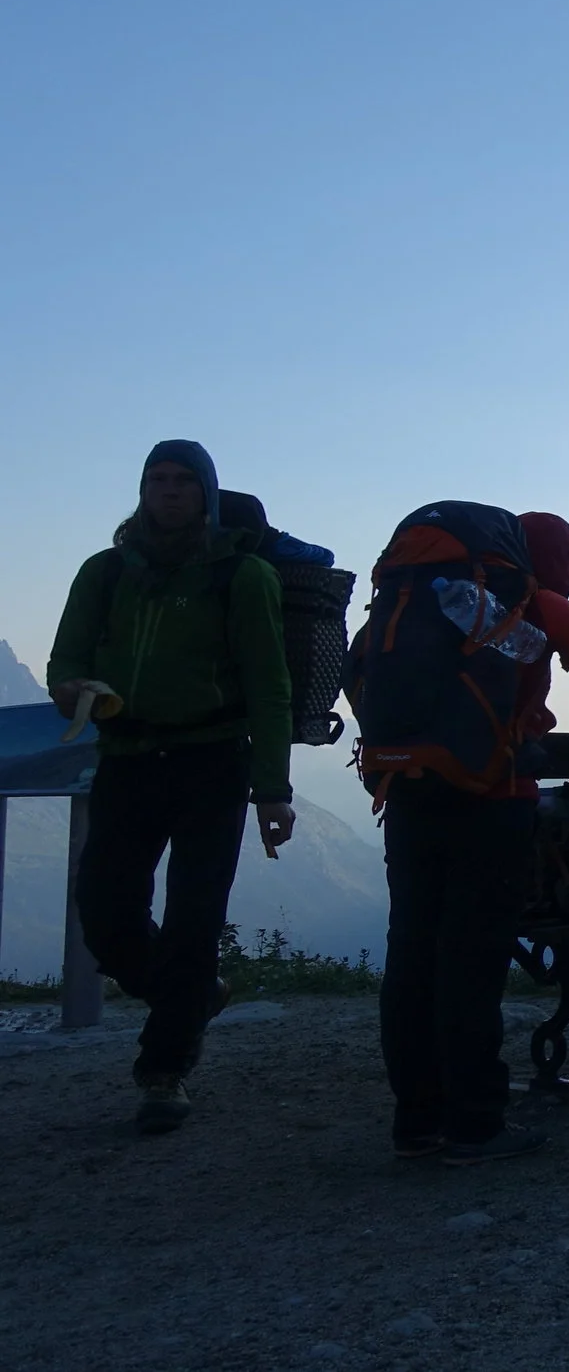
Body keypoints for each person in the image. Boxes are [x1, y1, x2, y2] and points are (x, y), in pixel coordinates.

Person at [45, 441, 296, 1135]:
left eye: (185, 480)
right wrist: (71, 687)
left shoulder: (242, 576)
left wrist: (272, 789)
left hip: (212, 760)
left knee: (194, 917)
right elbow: (65, 658)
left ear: (206, 494)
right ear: (142, 489)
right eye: (158, 479)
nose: (170, 491)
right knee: (104, 907)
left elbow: (270, 687)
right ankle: (189, 997)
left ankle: (164, 1071)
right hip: (125, 755)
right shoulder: (103, 573)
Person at [376, 509, 569, 1165]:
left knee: (412, 953)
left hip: (406, 787)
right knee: (472, 957)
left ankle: (416, 1120)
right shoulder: (537, 602)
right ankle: (475, 1121)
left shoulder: (432, 595)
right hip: (492, 800)